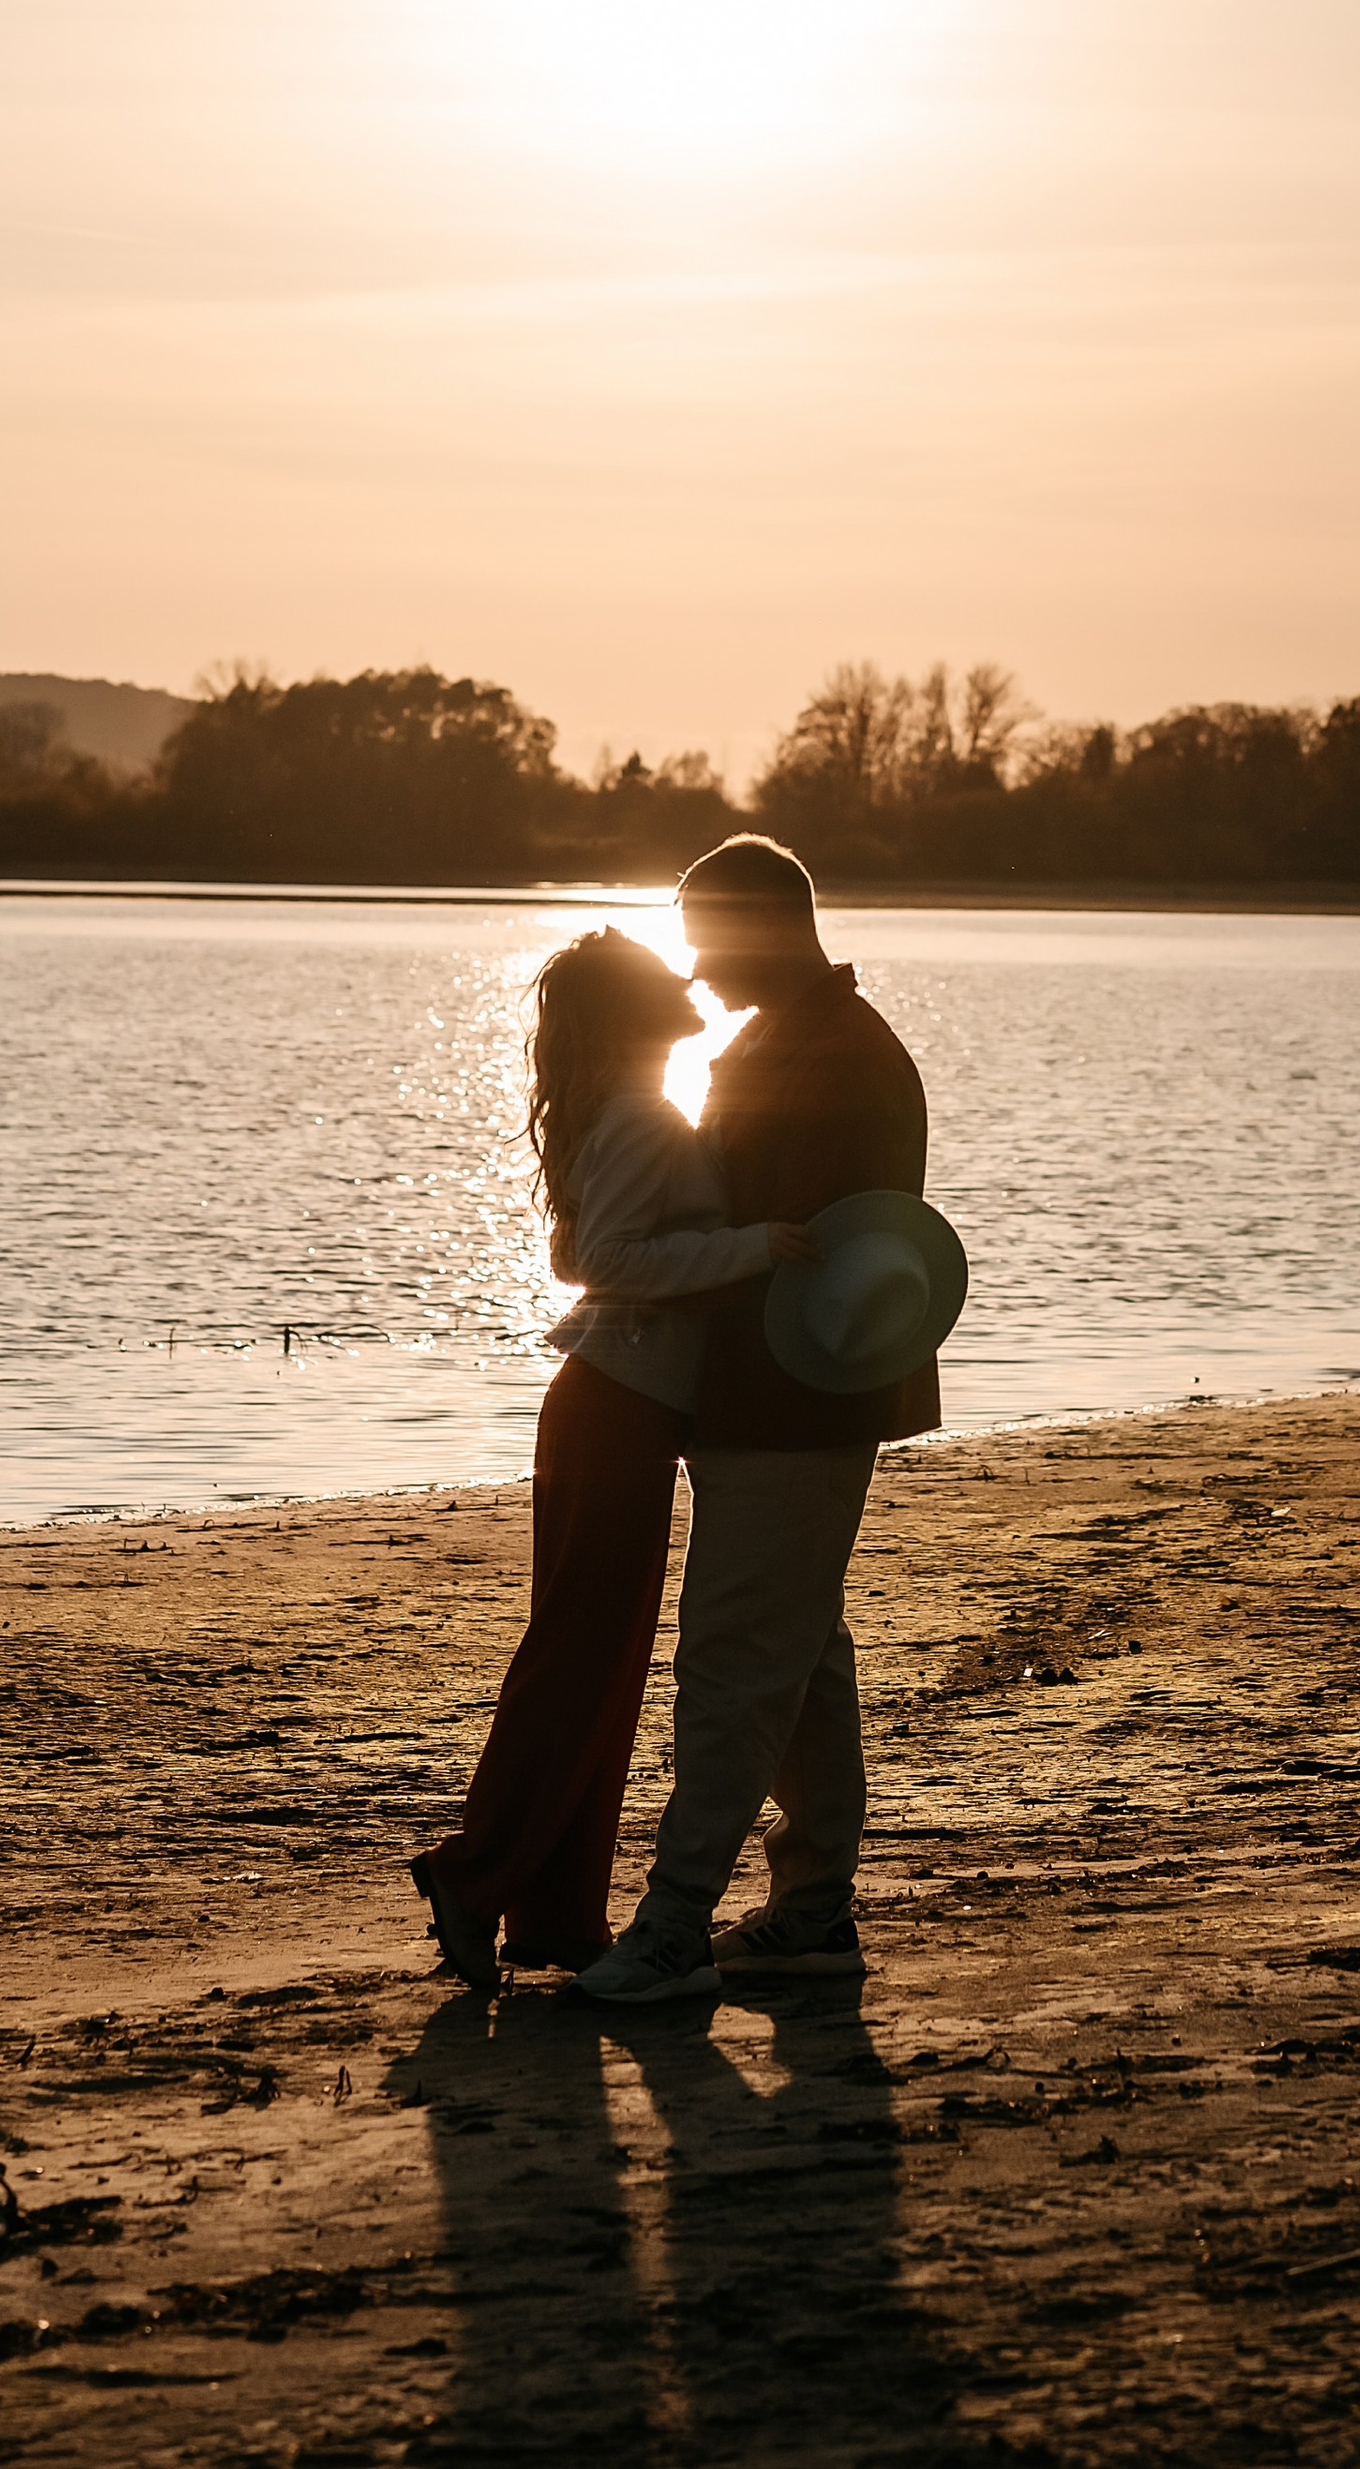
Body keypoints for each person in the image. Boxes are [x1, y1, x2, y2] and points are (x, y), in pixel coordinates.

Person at [408, 925, 812, 1988]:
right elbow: (606, 1261)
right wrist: (754, 1247)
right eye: (663, 978)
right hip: (614, 1405)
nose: (690, 984)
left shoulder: (628, 1111)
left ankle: (552, 1916)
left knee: (598, 1656)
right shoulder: (641, 1116)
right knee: (581, 1658)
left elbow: (570, 1251)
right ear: (634, 1009)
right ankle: (472, 1876)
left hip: (614, 1405)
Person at [578, 837, 937, 2004]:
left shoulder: (838, 1057)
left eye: (705, 937)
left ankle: (676, 1925)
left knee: (735, 1669)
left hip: (797, 1406)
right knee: (799, 1664)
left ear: (765, 927)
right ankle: (812, 1912)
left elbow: (831, 1256)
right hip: (772, 1404)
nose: (692, 966)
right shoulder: (795, 1042)